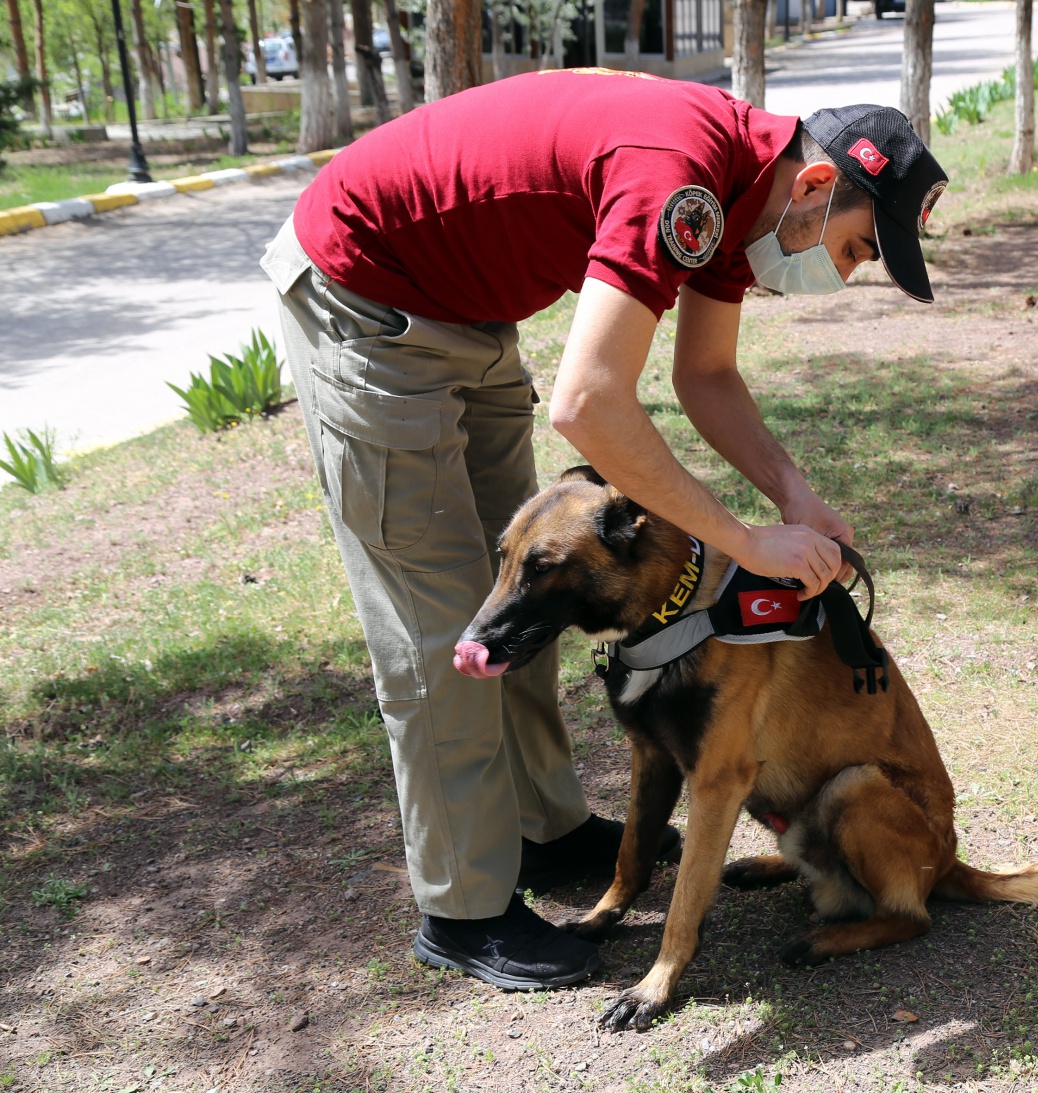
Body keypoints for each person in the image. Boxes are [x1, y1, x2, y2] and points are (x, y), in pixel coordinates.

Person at [261, 69, 949, 991]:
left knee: (536, 603)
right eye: (861, 249)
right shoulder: (685, 178)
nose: (850, 272)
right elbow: (588, 404)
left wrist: (793, 493)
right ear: (817, 190)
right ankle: (462, 910)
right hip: (370, 301)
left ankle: (544, 830)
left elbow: (705, 376)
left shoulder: (748, 205)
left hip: (467, 317)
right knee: (448, 625)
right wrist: (748, 544)